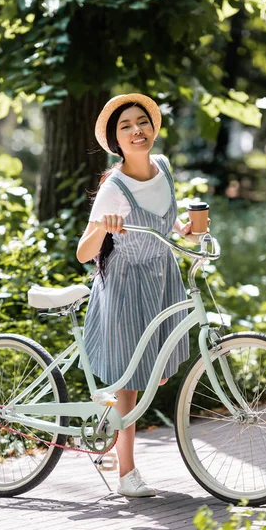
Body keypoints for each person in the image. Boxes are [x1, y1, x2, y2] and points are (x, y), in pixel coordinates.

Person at [76, 93, 195, 498]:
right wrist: (102, 229)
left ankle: (110, 417)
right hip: (125, 287)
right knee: (130, 382)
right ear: (116, 140)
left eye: (141, 122)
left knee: (155, 373)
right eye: (125, 126)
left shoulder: (162, 167)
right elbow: (83, 253)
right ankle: (126, 473)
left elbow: (165, 217)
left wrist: (183, 230)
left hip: (161, 280)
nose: (136, 130)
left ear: (153, 128)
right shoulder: (114, 188)